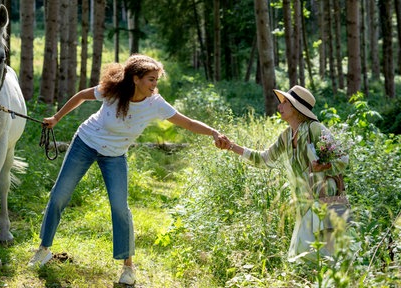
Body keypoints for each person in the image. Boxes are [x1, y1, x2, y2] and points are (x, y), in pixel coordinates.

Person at [28, 54, 228, 284]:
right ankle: (43, 249)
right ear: (136, 79)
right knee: (59, 195)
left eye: (156, 80)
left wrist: (214, 132)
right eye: (151, 79)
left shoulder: (156, 103)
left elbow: (189, 123)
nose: (155, 85)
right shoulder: (112, 90)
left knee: (120, 208)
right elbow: (83, 96)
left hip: (114, 155)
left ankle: (128, 267)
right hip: (85, 142)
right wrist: (56, 118)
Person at [223, 85, 349, 262]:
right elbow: (264, 159)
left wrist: (325, 166)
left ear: (296, 108)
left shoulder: (315, 129)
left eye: (284, 103)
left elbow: (343, 159)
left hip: (326, 203)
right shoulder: (286, 136)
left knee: (329, 259)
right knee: (307, 257)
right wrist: (231, 146)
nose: (279, 106)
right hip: (306, 205)